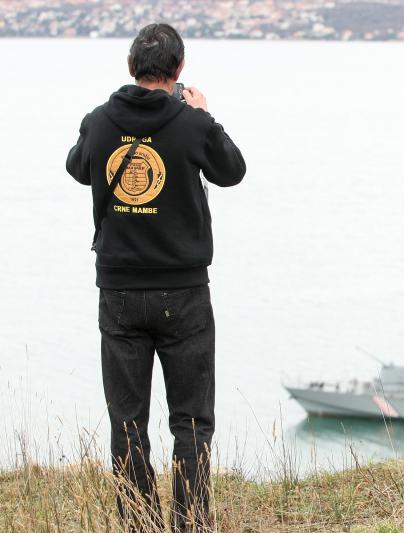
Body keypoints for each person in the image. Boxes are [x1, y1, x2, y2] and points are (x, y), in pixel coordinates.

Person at [66, 23, 246, 531]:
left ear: (131, 67)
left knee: (127, 423)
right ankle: (191, 524)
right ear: (180, 68)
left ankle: (140, 524)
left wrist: (108, 136)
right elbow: (231, 170)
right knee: (190, 422)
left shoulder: (99, 122)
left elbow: (78, 168)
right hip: (184, 291)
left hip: (119, 292)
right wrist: (204, 115)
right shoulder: (192, 124)